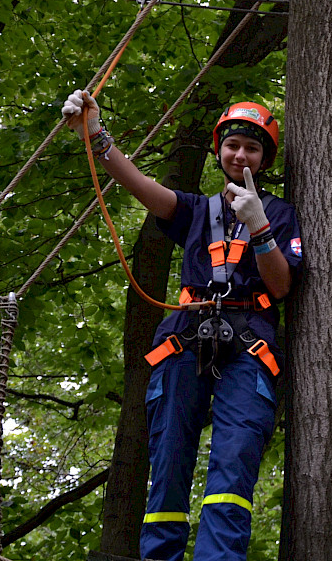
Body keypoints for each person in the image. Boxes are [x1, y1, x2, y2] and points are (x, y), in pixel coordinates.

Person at [62, 91, 302, 561]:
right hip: (185, 340)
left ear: (265, 158)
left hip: (249, 345)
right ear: (219, 150)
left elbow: (280, 287)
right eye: (233, 145)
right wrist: (95, 135)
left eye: (252, 149)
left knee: (232, 469)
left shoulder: (279, 213)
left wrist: (259, 227)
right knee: (168, 462)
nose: (240, 155)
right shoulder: (195, 209)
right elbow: (138, 185)